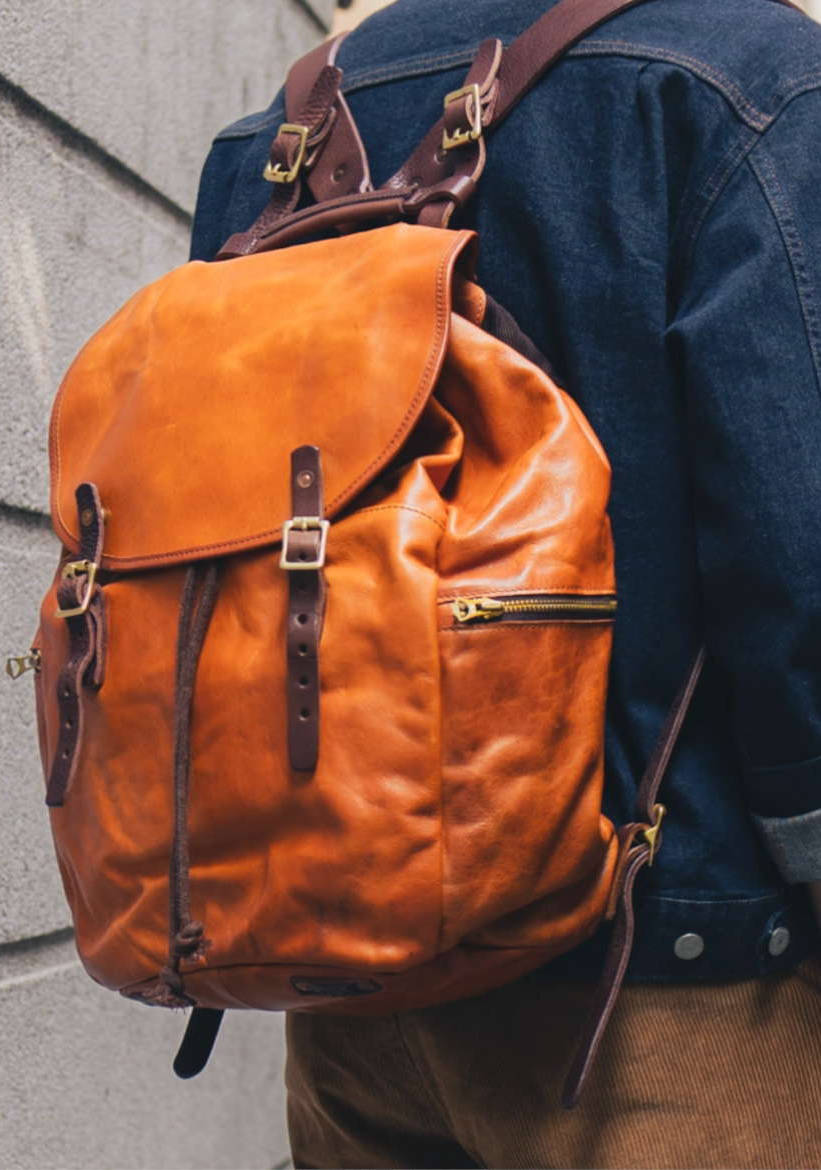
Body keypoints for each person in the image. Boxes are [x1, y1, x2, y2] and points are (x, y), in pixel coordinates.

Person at [190, 0, 821, 1165]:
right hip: (665, 985)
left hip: (348, 986)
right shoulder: (746, 75)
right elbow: (795, 558)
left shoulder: (271, 136)